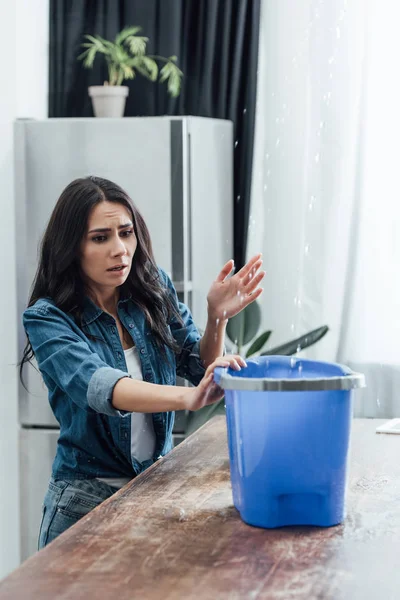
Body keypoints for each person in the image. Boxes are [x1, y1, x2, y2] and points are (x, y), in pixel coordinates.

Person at [19, 176, 265, 549]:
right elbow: (101, 385)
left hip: (153, 490)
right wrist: (189, 399)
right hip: (84, 504)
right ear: (71, 247)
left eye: (126, 232)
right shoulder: (47, 318)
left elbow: (199, 366)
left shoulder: (152, 289)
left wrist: (216, 318)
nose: (120, 249)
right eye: (100, 238)